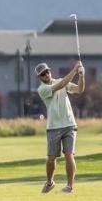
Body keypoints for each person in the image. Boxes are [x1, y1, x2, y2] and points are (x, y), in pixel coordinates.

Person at [35, 60, 84, 194]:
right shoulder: (42, 89)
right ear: (39, 77)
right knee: (51, 159)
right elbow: (61, 84)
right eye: (43, 74)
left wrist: (81, 75)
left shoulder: (61, 81)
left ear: (50, 71)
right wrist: (74, 69)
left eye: (47, 72)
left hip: (69, 124)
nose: (46, 75)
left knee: (69, 155)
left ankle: (70, 186)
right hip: (53, 127)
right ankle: (50, 183)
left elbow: (79, 89)